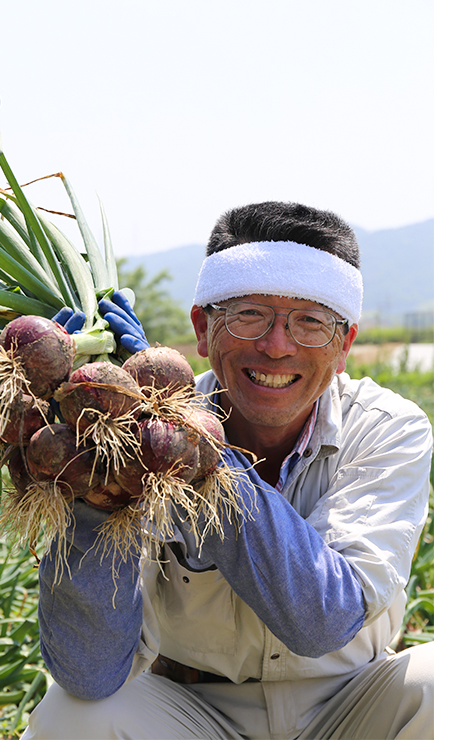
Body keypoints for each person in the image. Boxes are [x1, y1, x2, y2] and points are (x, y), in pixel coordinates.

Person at [21, 202, 434, 740]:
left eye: (310, 321)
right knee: (72, 717)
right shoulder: (136, 436)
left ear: (344, 346)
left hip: (350, 706)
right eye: (249, 315)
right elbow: (89, 673)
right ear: (202, 327)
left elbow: (323, 618)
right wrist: (92, 480)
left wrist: (190, 448)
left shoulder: (387, 429)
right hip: (194, 713)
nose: (277, 345)